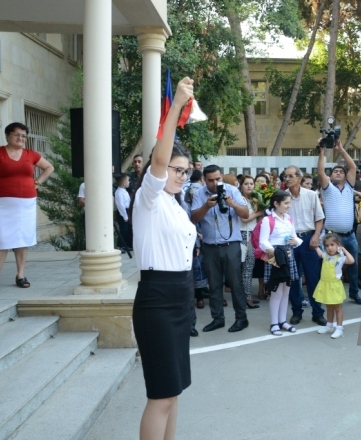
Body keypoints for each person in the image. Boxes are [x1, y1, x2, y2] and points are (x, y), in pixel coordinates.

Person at [130, 77, 196, 440]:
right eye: (177, 170)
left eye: (186, 171)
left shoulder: (173, 204)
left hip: (179, 297)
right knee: (161, 396)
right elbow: (159, 155)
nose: (182, 177)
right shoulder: (148, 198)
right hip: (156, 300)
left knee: (174, 393)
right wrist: (175, 108)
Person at [0, 122, 54, 293]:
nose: (20, 138)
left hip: (26, 202)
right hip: (1, 202)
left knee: (22, 239)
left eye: (23, 136)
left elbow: (49, 167)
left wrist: (37, 182)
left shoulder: (31, 154)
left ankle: (20, 274)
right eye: (16, 134)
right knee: (2, 239)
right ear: (7, 135)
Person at [191, 164, 250, 333]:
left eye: (218, 179)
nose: (215, 183)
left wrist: (233, 205)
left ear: (221, 176)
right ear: (204, 180)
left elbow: (245, 214)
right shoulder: (199, 194)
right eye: (210, 180)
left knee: (235, 284)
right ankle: (218, 319)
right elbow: (194, 219)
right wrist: (206, 206)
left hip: (231, 245)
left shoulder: (232, 190)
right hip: (209, 246)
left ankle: (241, 319)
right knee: (214, 285)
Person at [317, 138, 361, 304]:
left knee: (353, 265)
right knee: (327, 266)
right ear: (331, 176)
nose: (338, 172)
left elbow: (353, 167)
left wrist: (341, 150)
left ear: (346, 176)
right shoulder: (327, 188)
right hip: (332, 236)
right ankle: (325, 294)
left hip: (350, 236)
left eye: (341, 171)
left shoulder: (350, 187)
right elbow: (321, 172)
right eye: (335, 171)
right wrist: (322, 151)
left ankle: (354, 293)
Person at [283, 165, 326, 326]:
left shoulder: (311, 195)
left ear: (299, 178)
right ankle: (296, 312)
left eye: (289, 176)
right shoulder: (283, 196)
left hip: (309, 239)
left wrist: (316, 236)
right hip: (290, 241)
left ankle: (317, 312)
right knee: (294, 278)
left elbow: (319, 218)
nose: (286, 179)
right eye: (285, 176)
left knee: (313, 277)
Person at [258, 190, 302, 336]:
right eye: (286, 203)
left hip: (288, 254)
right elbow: (263, 241)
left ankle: (283, 321)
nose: (289, 206)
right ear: (276, 204)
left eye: (289, 203)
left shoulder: (289, 219)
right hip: (275, 256)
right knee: (276, 291)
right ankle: (274, 323)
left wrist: (296, 242)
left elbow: (295, 238)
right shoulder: (268, 220)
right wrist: (273, 253)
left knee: (286, 291)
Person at [314, 233, 355, 339]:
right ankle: (329, 325)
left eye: (332, 245)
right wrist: (316, 245)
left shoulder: (340, 258)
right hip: (326, 285)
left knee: (337, 307)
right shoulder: (325, 256)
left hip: (335, 286)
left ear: (338, 245)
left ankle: (339, 328)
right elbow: (319, 253)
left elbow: (351, 260)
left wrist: (344, 250)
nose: (329, 248)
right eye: (327, 246)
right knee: (328, 306)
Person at [239, 175, 263, 309]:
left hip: (252, 235)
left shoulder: (254, 199)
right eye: (246, 184)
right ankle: (247, 298)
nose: (249, 186)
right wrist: (259, 212)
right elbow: (244, 218)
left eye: (251, 183)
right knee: (247, 267)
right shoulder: (241, 200)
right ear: (241, 186)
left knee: (249, 267)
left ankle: (247, 295)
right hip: (243, 235)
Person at [253, 174, 270, 300]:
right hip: (255, 232)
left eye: (262, 181)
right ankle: (260, 289)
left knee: (269, 260)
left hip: (269, 232)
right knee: (259, 261)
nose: (260, 184)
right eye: (257, 181)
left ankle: (268, 287)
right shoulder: (252, 196)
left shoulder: (271, 197)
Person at [114, 173, 132, 251]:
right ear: (124, 183)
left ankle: (126, 244)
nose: (129, 182)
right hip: (122, 213)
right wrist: (125, 216)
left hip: (127, 211)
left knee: (128, 229)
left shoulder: (124, 191)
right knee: (123, 230)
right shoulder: (119, 192)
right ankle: (120, 246)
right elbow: (120, 205)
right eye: (128, 180)